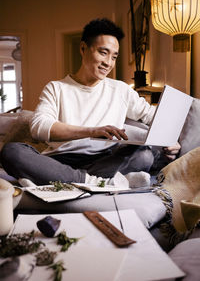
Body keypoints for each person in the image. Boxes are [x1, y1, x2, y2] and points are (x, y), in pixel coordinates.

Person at [0, 18, 180, 186]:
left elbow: (152, 116)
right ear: (83, 48)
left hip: (104, 159)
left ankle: (64, 181)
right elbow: (39, 127)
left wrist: (171, 138)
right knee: (12, 152)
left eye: (114, 57)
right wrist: (93, 131)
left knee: (145, 156)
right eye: (103, 53)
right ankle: (96, 182)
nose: (108, 63)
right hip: (61, 159)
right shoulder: (56, 88)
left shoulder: (121, 90)